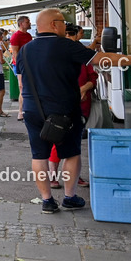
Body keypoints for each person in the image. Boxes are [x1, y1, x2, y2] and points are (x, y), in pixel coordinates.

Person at [19, 8, 131, 213]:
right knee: (71, 153)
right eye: (63, 22)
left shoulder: (25, 50)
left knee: (39, 156)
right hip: (63, 111)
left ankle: (47, 201)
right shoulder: (66, 46)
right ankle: (69, 197)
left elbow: (22, 82)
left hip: (32, 109)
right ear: (54, 24)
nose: (66, 26)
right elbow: (104, 59)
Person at [47, 23, 98, 188]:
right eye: (66, 35)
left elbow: (93, 78)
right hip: (61, 105)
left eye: (71, 35)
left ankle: (73, 175)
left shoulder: (81, 54)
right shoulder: (55, 54)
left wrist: (84, 88)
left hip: (81, 106)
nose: (68, 38)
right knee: (59, 140)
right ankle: (53, 175)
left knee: (74, 143)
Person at [10, 15, 33, 121]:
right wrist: (20, 67)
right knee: (22, 87)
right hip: (21, 65)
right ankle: (20, 112)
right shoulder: (15, 36)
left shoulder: (28, 35)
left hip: (29, 64)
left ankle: (27, 109)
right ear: (21, 24)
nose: (29, 23)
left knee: (28, 87)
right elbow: (15, 54)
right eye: (27, 22)